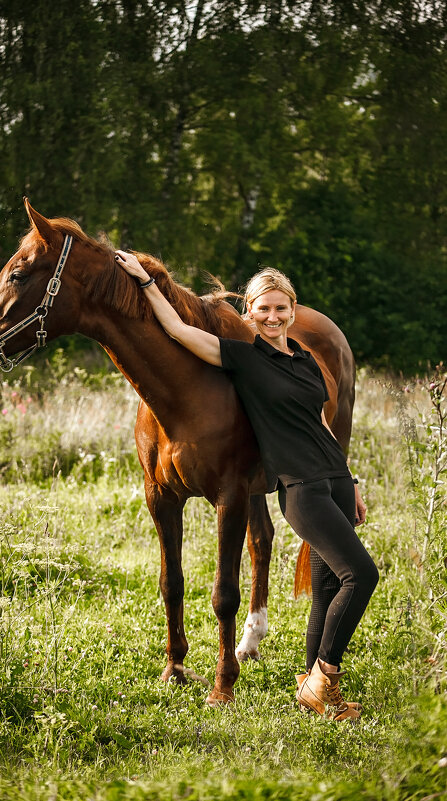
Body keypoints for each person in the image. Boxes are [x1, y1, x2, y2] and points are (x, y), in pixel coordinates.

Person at [114, 249, 379, 721]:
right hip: (302, 487)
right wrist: (146, 282)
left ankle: (312, 688)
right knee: (362, 575)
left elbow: (321, 424)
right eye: (264, 309)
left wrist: (352, 477)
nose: (273, 316)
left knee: (325, 585)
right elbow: (179, 330)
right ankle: (326, 678)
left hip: (336, 479)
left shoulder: (305, 358)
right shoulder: (242, 358)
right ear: (249, 315)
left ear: (293, 311)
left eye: (281, 308)